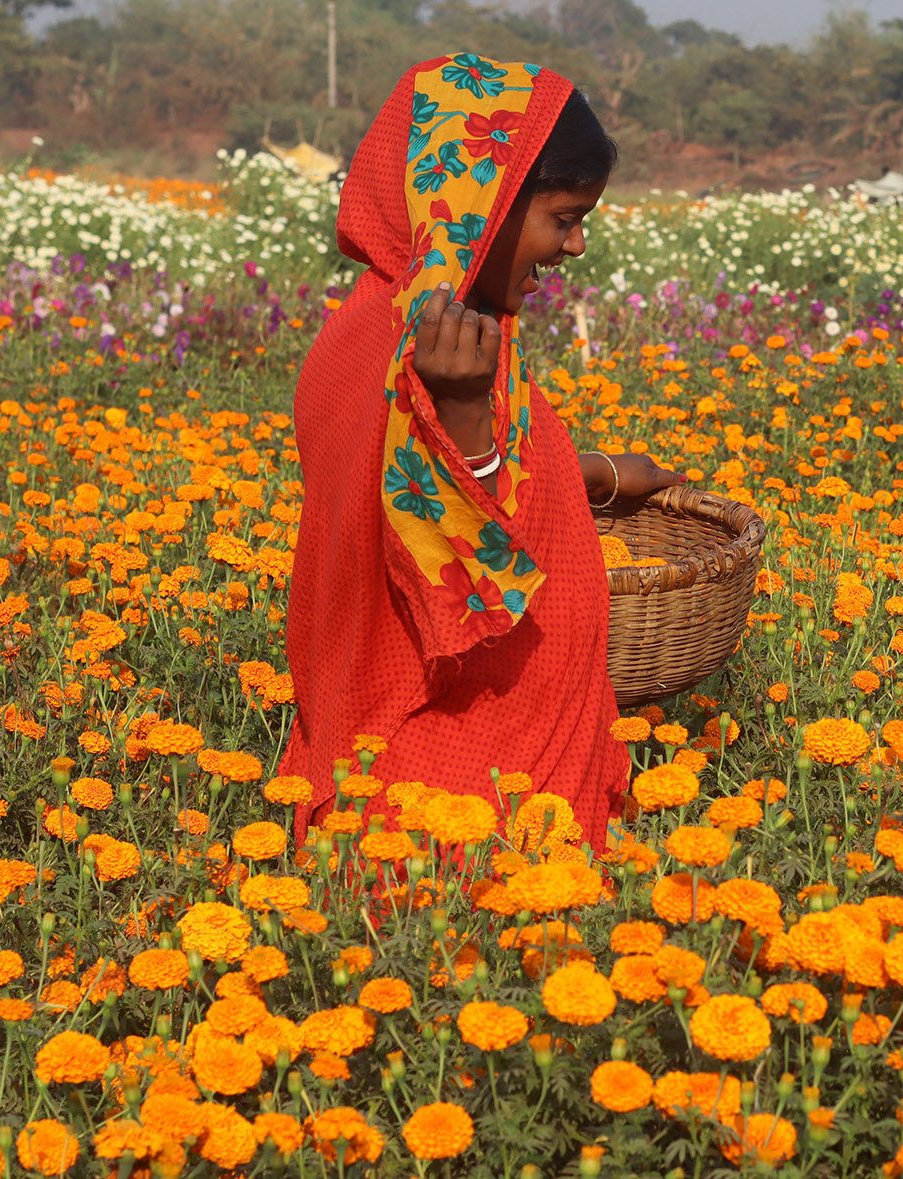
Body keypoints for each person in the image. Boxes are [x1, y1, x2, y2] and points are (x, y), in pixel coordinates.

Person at [284, 54, 682, 847]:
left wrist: (600, 475)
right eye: (564, 216)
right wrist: (465, 409)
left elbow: (472, 474)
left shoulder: (369, 323)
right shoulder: (439, 359)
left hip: (434, 764)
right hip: (462, 802)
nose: (574, 247)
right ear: (488, 204)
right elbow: (461, 568)